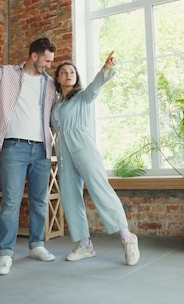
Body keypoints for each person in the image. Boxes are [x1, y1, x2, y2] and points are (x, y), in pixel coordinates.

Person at [0, 37, 57, 276]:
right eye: (46, 60)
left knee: (39, 201)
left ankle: (37, 245)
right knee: (11, 202)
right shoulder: (8, 73)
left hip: (42, 150)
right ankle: (5, 254)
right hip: (14, 147)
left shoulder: (49, 84)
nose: (48, 65)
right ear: (34, 56)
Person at [51, 51, 140, 266]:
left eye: (72, 71)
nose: (68, 74)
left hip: (84, 150)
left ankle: (127, 237)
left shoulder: (82, 97)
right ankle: (85, 244)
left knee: (101, 190)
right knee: (70, 198)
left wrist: (106, 68)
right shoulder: (55, 106)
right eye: (63, 72)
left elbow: (94, 87)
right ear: (58, 79)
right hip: (64, 156)